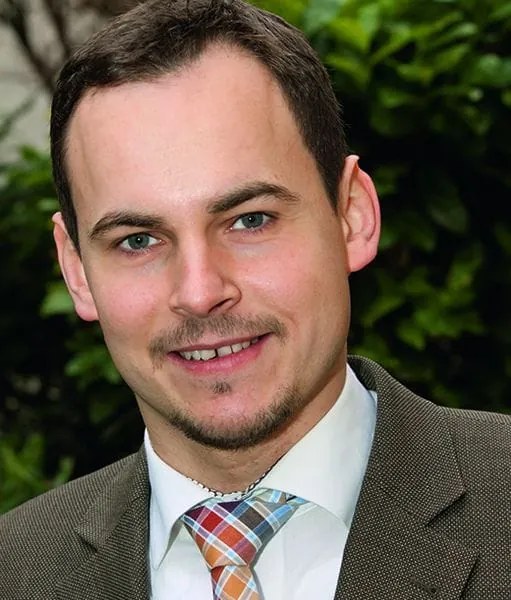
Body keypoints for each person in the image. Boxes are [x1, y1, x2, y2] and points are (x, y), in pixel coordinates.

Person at [1, 0, 510, 598]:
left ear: (352, 216)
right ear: (77, 270)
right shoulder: (16, 571)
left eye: (250, 220)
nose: (199, 292)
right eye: (138, 240)